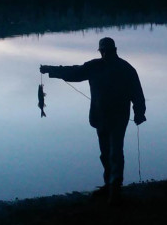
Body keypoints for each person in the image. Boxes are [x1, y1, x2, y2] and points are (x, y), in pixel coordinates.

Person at [40, 37, 146, 206]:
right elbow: (74, 72)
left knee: (115, 152)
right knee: (105, 153)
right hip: (100, 117)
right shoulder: (94, 66)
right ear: (100, 51)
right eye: (102, 50)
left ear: (114, 50)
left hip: (119, 118)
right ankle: (108, 185)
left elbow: (137, 93)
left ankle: (115, 190)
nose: (105, 53)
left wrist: (139, 113)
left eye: (107, 50)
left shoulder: (126, 69)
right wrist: (50, 70)